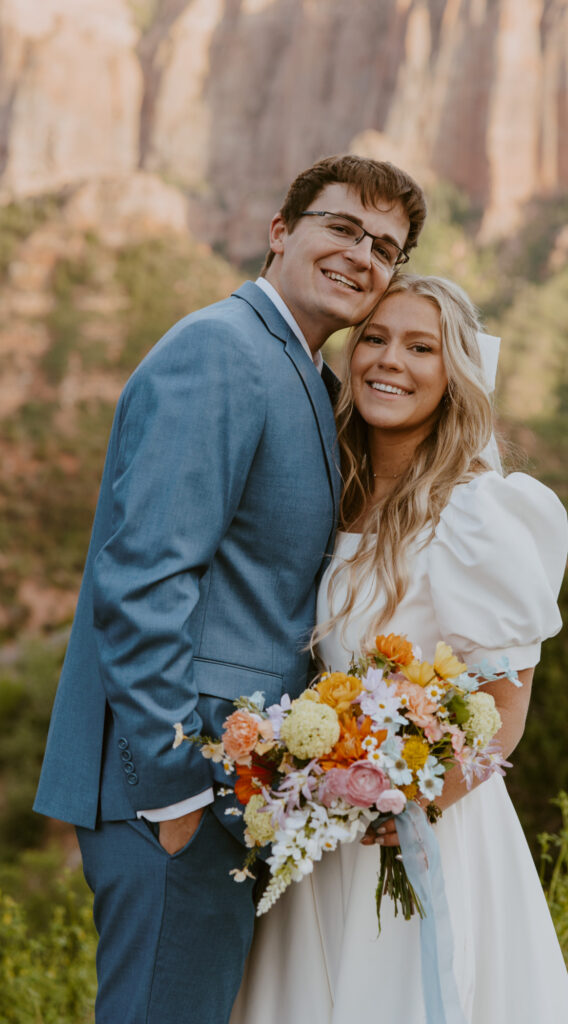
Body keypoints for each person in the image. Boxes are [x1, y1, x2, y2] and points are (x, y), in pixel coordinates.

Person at [33, 155, 427, 1024]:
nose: (363, 255)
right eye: (341, 227)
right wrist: (174, 791)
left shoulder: (306, 375)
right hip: (177, 787)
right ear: (280, 232)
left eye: (385, 247)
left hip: (242, 792)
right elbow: (143, 579)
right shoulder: (222, 350)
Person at [230, 274, 568, 1024]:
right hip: (324, 828)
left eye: (420, 347)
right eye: (376, 339)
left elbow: (507, 706)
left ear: (453, 372)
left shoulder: (473, 512)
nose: (391, 361)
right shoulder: (333, 492)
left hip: (425, 829)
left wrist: (418, 801)